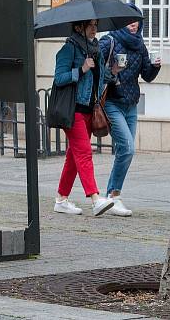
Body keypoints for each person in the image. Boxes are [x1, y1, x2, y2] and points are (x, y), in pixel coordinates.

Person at [98, 5, 161, 217]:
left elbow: (147, 75)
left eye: (136, 21)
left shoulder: (139, 45)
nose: (133, 24)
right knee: (127, 148)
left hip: (131, 105)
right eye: (129, 20)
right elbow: (97, 70)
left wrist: (155, 66)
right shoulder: (109, 41)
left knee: (125, 151)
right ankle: (113, 196)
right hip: (112, 103)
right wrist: (112, 71)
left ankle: (110, 196)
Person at [52, 19, 116, 217]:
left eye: (96, 25)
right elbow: (58, 78)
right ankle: (95, 199)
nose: (95, 29)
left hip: (90, 110)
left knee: (74, 156)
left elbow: (101, 77)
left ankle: (61, 199)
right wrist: (81, 69)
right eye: (91, 25)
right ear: (79, 27)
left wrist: (113, 72)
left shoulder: (96, 50)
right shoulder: (69, 49)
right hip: (74, 110)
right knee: (84, 152)